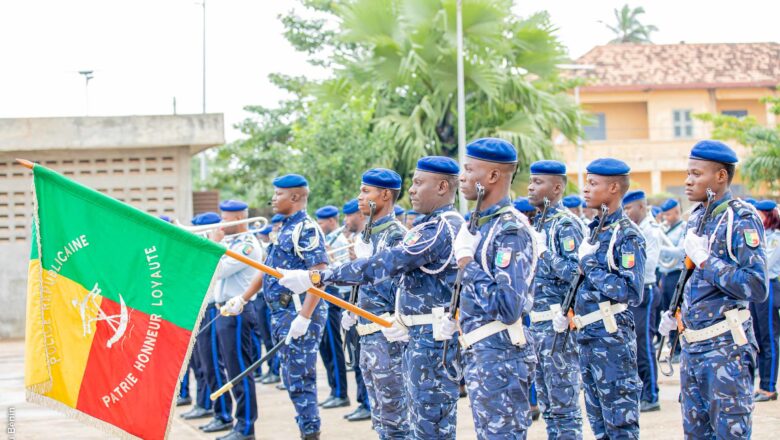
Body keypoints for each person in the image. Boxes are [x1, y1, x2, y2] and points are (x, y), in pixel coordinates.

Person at [280, 156, 464, 439]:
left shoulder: (420, 230)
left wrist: (315, 277)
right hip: (393, 338)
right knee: (388, 422)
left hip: (406, 339)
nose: (412, 190)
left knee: (408, 425)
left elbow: (386, 269)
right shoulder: (405, 229)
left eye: (417, 183)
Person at [658, 140, 767, 438]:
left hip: (725, 349)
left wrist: (708, 261)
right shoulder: (697, 216)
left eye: (696, 174)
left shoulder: (741, 218)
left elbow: (756, 287)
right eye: (687, 173)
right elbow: (694, 282)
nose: (687, 180)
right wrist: (675, 312)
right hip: (694, 348)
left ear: (720, 177)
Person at [443, 138, 538, 438]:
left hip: (502, 359)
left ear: (493, 177)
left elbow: (508, 307)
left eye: (470, 169)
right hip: (483, 355)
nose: (462, 177)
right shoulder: (481, 225)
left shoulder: (510, 229)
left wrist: (467, 263)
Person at [553, 158, 646, 439]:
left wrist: (590, 264)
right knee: (600, 427)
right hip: (588, 336)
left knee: (620, 425)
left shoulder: (627, 234)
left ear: (614, 187)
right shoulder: (596, 230)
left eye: (593, 183)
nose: (585, 189)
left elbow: (631, 291)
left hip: (612, 339)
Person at [336, 168, 410, 437]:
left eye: (366, 191)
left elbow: (401, 287)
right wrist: (353, 307)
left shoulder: (395, 236)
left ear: (386, 194)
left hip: (387, 338)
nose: (359, 197)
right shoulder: (368, 235)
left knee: (396, 420)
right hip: (368, 335)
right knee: (380, 418)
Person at [262, 175, 331, 440]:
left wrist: (304, 317)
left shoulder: (306, 228)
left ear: (295, 197)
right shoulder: (285, 228)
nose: (273, 199)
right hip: (282, 312)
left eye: (278, 194)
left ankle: (310, 433)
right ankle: (306, 428)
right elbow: (266, 267)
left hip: (298, 310)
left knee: (300, 378)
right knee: (291, 376)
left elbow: (319, 275)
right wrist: (243, 299)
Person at [526, 160, 584, 439]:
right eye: (531, 181)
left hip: (557, 327)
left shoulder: (565, 225)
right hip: (537, 325)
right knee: (549, 407)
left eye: (538, 182)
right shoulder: (539, 224)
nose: (530, 186)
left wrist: (544, 254)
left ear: (557, 187)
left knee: (565, 407)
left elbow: (577, 274)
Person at [209, 200, 262, 440]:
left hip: (238, 312)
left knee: (240, 371)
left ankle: (246, 427)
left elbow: (216, 270)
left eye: (226, 218)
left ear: (240, 217)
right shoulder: (234, 244)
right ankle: (239, 425)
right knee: (232, 370)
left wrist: (213, 243)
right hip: (225, 311)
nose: (222, 223)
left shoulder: (247, 245)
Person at [622, 190, 662, 412]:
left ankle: (652, 394)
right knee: (635, 345)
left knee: (644, 344)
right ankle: (643, 391)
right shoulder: (635, 230)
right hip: (635, 292)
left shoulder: (650, 230)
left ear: (641, 207)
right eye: (624, 209)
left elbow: (649, 264)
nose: (627, 213)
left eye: (629, 208)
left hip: (645, 291)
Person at [181, 213, 222, 424]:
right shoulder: (203, 251)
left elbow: (213, 271)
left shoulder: (223, 248)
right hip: (200, 309)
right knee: (199, 362)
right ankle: (203, 404)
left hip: (216, 309)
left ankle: (218, 412)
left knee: (211, 363)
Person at [314, 205, 351, 409]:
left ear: (331, 221)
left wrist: (330, 258)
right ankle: (333, 388)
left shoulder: (342, 242)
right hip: (322, 296)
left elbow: (346, 272)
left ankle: (340, 392)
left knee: (334, 345)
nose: (320, 226)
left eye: (321, 222)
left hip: (333, 297)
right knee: (325, 346)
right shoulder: (328, 240)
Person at [340, 198, 372, 421]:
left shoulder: (367, 239)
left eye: (348, 216)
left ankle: (368, 404)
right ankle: (364, 402)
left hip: (368, 308)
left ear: (360, 215)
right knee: (358, 358)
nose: (345, 221)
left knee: (366, 361)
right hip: (354, 304)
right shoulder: (358, 239)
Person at [751, 199, 779, 401]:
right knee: (759, 339)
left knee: (769, 338)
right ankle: (762, 385)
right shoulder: (761, 236)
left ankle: (769, 386)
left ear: (768, 216)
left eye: (759, 214)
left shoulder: (775, 238)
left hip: (769, 287)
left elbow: (766, 263)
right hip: (758, 288)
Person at [657, 198, 687, 360]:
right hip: (666, 275)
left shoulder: (683, 228)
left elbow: (679, 253)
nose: (666, 218)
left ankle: (679, 348)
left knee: (677, 312)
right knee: (668, 312)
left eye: (669, 214)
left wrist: (658, 246)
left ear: (677, 212)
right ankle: (672, 346)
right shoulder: (665, 229)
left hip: (677, 274)